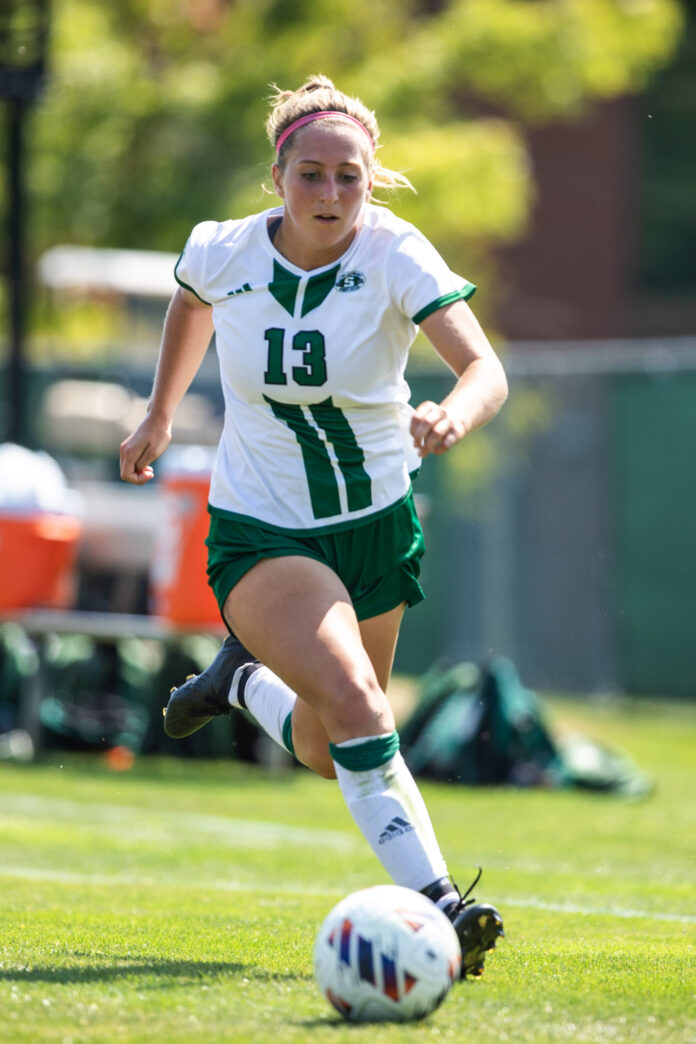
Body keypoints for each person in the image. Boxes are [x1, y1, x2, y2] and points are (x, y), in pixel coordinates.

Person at [120, 75, 508, 978]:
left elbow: (485, 368)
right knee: (370, 712)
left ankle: (245, 683)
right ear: (278, 174)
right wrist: (161, 415)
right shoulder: (224, 249)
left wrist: (455, 412)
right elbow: (190, 302)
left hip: (376, 522)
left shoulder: (397, 253)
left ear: (371, 181)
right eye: (312, 175)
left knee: (331, 746)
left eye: (350, 178)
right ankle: (441, 906)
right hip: (262, 528)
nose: (330, 195)